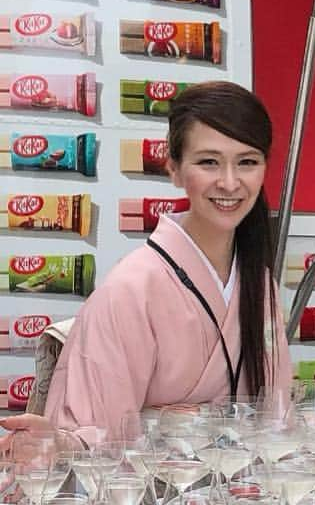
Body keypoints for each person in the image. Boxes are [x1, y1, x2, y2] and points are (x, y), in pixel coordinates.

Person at [2, 82, 293, 446]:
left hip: (242, 493)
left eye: (247, 162)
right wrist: (60, 444)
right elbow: (96, 438)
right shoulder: (130, 291)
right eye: (208, 162)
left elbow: (277, 418)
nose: (230, 182)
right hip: (150, 496)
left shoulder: (258, 282)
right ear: (173, 168)